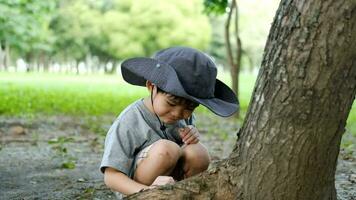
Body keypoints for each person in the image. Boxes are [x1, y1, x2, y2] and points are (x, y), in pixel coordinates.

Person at [100, 46, 239, 198]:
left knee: (198, 152)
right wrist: (147, 192)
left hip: (171, 185)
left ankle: (185, 195)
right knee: (166, 150)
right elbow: (111, 176)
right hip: (138, 190)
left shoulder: (184, 117)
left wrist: (191, 137)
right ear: (151, 86)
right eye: (171, 103)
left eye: (190, 107)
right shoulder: (129, 120)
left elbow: (188, 153)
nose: (178, 113)